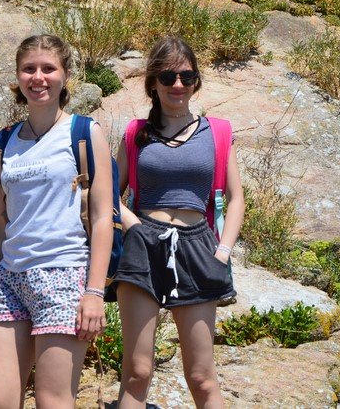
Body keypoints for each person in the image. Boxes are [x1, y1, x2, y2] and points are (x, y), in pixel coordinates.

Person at [0, 34, 113, 408]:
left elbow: (102, 219)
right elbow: (1, 225)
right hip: (9, 280)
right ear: (18, 76)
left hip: (64, 275)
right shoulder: (4, 142)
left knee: (53, 401)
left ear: (65, 76)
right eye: (29, 69)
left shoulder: (84, 133)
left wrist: (94, 293)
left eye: (48, 68)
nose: (38, 77)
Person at [113, 36, 245, 408]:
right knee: (137, 372)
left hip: (198, 246)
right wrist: (134, 225)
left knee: (201, 377)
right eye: (168, 76)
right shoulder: (135, 133)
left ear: (196, 81)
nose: (178, 85)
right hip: (144, 245)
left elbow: (236, 198)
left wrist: (222, 251)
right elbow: (107, 194)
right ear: (153, 83)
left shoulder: (217, 132)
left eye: (186, 77)